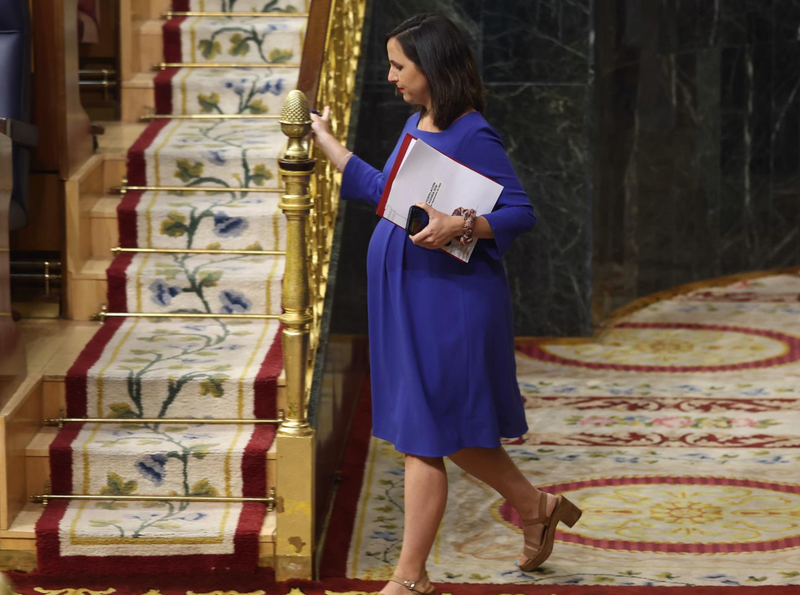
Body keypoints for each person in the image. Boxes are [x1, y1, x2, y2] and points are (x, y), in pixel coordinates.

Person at [310, 13, 582, 595]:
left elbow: (521, 212)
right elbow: (383, 192)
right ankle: (536, 508)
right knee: (444, 430)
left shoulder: (472, 132)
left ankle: (411, 578)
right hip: (407, 300)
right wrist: (325, 140)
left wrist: (459, 224)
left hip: (448, 304)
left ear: (431, 67)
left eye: (398, 66)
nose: (390, 76)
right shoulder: (418, 121)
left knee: (424, 435)